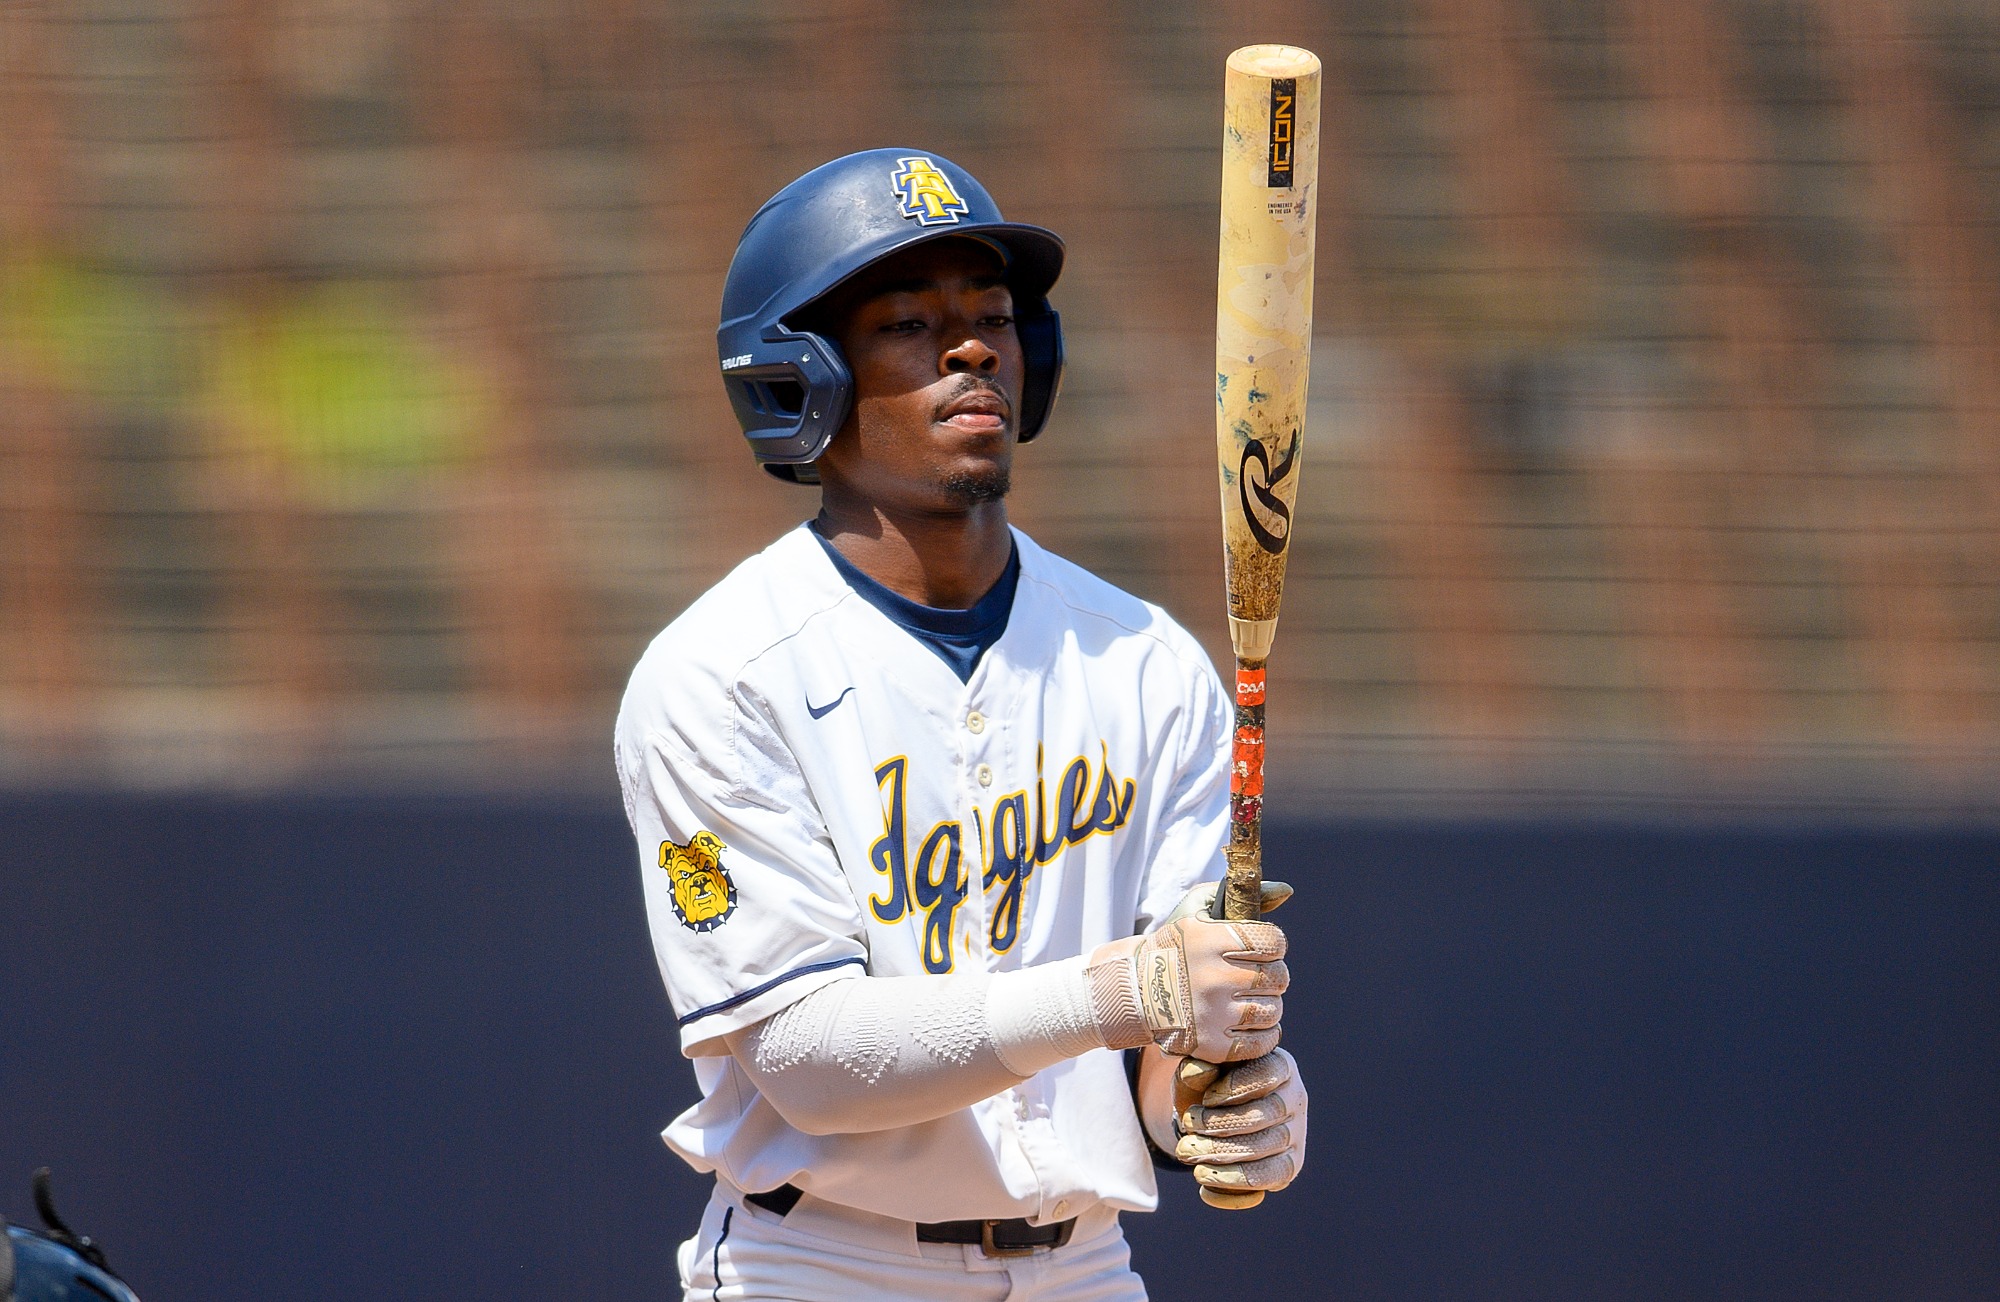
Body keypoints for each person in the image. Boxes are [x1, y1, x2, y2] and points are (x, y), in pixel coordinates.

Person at [615, 148, 1308, 1301]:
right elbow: (807, 1060)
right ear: (801, 375)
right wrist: (1127, 991)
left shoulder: (1144, 661)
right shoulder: (720, 673)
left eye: (991, 316)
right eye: (908, 322)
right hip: (820, 1264)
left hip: (1083, 1266)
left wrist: (1228, 1098)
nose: (974, 346)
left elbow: (1162, 1046)